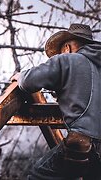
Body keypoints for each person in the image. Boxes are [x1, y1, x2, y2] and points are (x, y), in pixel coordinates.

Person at [11, 24, 101, 179]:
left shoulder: (69, 59)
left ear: (67, 47)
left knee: (37, 176)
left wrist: (20, 76)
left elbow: (29, 82)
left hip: (82, 143)